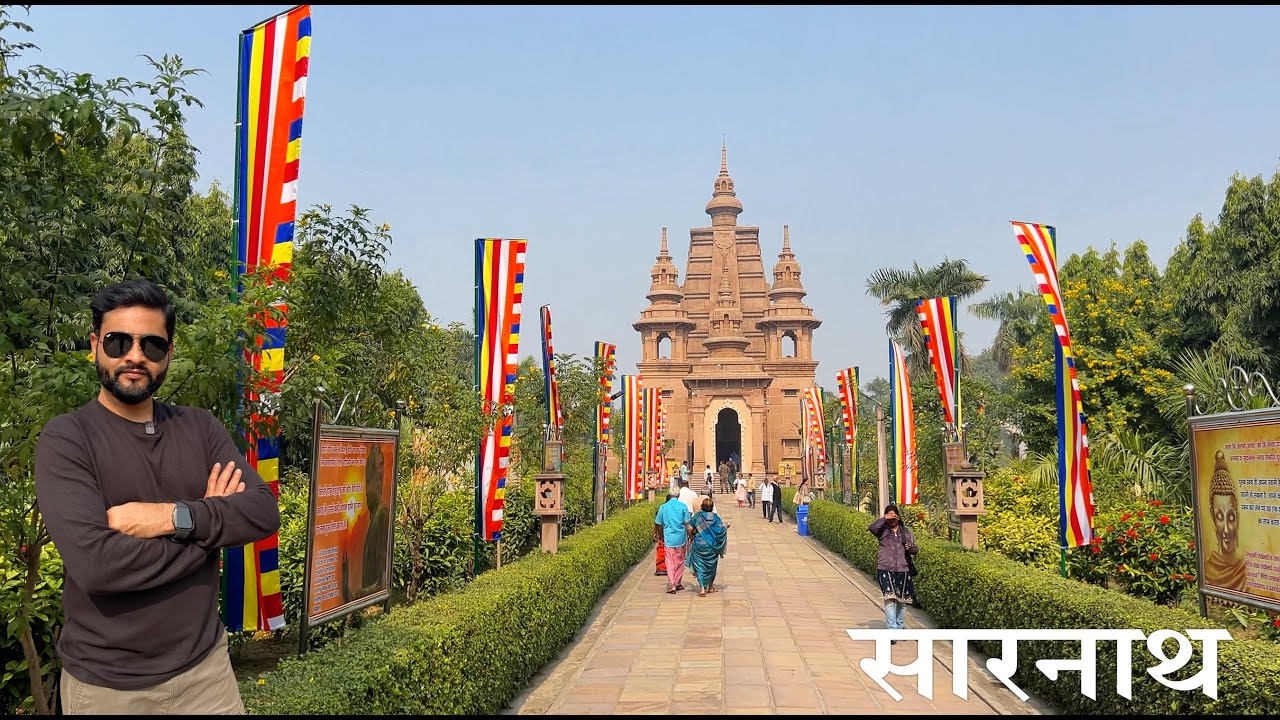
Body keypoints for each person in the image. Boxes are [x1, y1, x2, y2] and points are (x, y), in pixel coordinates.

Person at [35, 279, 281, 714]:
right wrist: (211, 526)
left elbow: (261, 512)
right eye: (118, 341)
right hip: (110, 688)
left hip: (208, 677)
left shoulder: (200, 428)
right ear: (95, 345)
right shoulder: (67, 439)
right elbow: (98, 567)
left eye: (151, 344)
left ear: (167, 354)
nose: (134, 355)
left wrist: (172, 517)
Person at [343, 444, 390, 601]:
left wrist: (357, 594)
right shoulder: (373, 519)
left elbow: (381, 579)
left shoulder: (381, 516)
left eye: (370, 482)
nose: (366, 492)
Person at [868, 504, 919, 640]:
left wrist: (912, 548)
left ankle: (899, 626)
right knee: (890, 599)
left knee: (901, 601)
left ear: (898, 516)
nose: (892, 519)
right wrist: (884, 518)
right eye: (889, 516)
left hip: (903, 568)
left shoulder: (906, 532)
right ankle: (892, 630)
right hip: (885, 568)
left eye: (893, 515)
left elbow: (915, 550)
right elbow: (872, 528)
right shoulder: (882, 531)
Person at [1204, 450, 1247, 591]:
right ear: (1213, 520)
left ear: (1238, 519)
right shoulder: (1208, 570)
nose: (1227, 529)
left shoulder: (1248, 572)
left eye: (1231, 517)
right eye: (1219, 518)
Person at [685, 497, 729, 596]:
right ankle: (710, 587)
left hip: (699, 545)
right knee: (711, 566)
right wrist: (726, 526)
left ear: (702, 507)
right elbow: (721, 528)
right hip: (712, 546)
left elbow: (689, 528)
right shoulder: (715, 518)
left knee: (700, 566)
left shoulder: (697, 517)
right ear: (712, 507)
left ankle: (702, 589)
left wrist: (691, 534)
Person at [655, 490, 693, 593]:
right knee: (680, 561)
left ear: (669, 495)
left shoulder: (663, 507)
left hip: (669, 538)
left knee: (669, 561)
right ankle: (677, 582)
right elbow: (687, 522)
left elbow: (658, 523)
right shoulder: (683, 506)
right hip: (681, 538)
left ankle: (672, 584)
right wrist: (690, 535)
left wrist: (658, 535)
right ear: (678, 495)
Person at [653, 491, 676, 576]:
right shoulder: (673, 508)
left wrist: (655, 533)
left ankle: (661, 567)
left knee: (662, 549)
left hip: (663, 532)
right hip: (671, 533)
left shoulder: (662, 508)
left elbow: (657, 523)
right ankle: (665, 567)